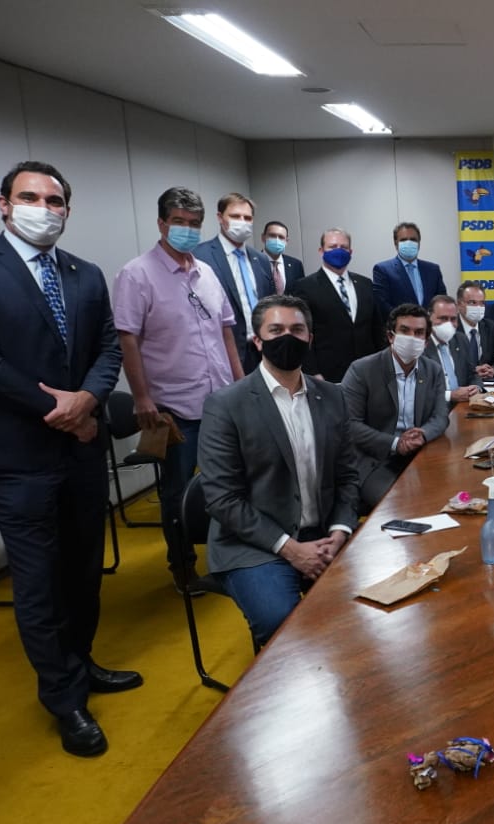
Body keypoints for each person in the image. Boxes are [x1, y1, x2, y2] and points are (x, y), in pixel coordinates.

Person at [0, 161, 139, 757]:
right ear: (4, 204)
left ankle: (81, 664)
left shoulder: (84, 274)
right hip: (16, 457)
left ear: (68, 209)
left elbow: (107, 346)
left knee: (82, 571)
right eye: (31, 197)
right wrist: (61, 407)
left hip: (82, 449)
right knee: (38, 583)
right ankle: (63, 699)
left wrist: (88, 399)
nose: (44, 207)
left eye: (56, 199)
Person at [198, 295, 360, 650]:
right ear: (257, 341)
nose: (287, 337)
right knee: (283, 625)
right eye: (276, 330)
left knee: (371, 605)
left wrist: (339, 531)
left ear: (309, 339)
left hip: (323, 533)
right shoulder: (226, 405)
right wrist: (290, 549)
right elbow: (222, 499)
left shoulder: (332, 396)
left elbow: (348, 476)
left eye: (297, 329)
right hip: (255, 544)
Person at [114, 186, 244, 592]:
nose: (186, 230)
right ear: (161, 224)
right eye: (179, 223)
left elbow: (226, 334)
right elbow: (128, 340)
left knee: (230, 482)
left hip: (221, 400)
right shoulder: (136, 275)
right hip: (173, 406)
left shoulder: (206, 273)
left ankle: (230, 556)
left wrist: (243, 387)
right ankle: (183, 566)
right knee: (176, 491)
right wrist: (141, 398)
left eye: (193, 224)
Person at [342, 304, 450, 511]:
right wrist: (395, 443)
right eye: (404, 331)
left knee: (442, 497)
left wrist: (423, 435)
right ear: (391, 336)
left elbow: (440, 417)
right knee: (401, 505)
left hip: (419, 454)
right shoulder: (361, 370)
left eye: (419, 333)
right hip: (375, 459)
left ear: (426, 342)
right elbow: (349, 425)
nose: (412, 337)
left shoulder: (433, 370)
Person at [284, 228, 383, 382]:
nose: (339, 251)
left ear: (350, 251)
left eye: (343, 247)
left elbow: (376, 328)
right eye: (332, 246)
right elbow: (301, 332)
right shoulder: (304, 287)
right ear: (321, 250)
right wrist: (312, 372)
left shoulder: (365, 284)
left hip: (368, 370)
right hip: (328, 373)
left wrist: (383, 364)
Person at [192, 192, 274, 372]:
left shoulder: (260, 260)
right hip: (224, 353)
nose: (242, 222)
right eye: (235, 216)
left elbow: (270, 304)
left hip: (262, 351)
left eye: (247, 217)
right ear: (220, 218)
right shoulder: (200, 256)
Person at [371, 221, 446, 312]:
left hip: (430, 325)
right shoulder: (383, 270)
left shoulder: (433, 270)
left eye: (413, 239)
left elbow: (442, 301)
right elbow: (382, 304)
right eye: (403, 240)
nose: (409, 243)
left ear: (419, 243)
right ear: (396, 243)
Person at [422, 295, 482, 404]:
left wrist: (476, 387)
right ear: (429, 318)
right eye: (443, 318)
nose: (449, 324)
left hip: (463, 406)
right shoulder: (420, 345)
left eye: (453, 319)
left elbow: (472, 373)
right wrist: (450, 395)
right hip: (434, 410)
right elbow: (418, 390)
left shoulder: (460, 339)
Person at [456, 281, 494, 378]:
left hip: (488, 384)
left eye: (482, 303)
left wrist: (493, 370)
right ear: (459, 304)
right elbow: (445, 366)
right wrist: (472, 371)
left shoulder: (490, 327)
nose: (478, 307)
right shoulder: (451, 329)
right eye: (472, 302)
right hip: (459, 386)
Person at [261, 220, 304, 291]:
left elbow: (300, 292)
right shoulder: (253, 263)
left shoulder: (296, 265)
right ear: (263, 237)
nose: (277, 240)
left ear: (286, 241)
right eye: (272, 235)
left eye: (281, 237)